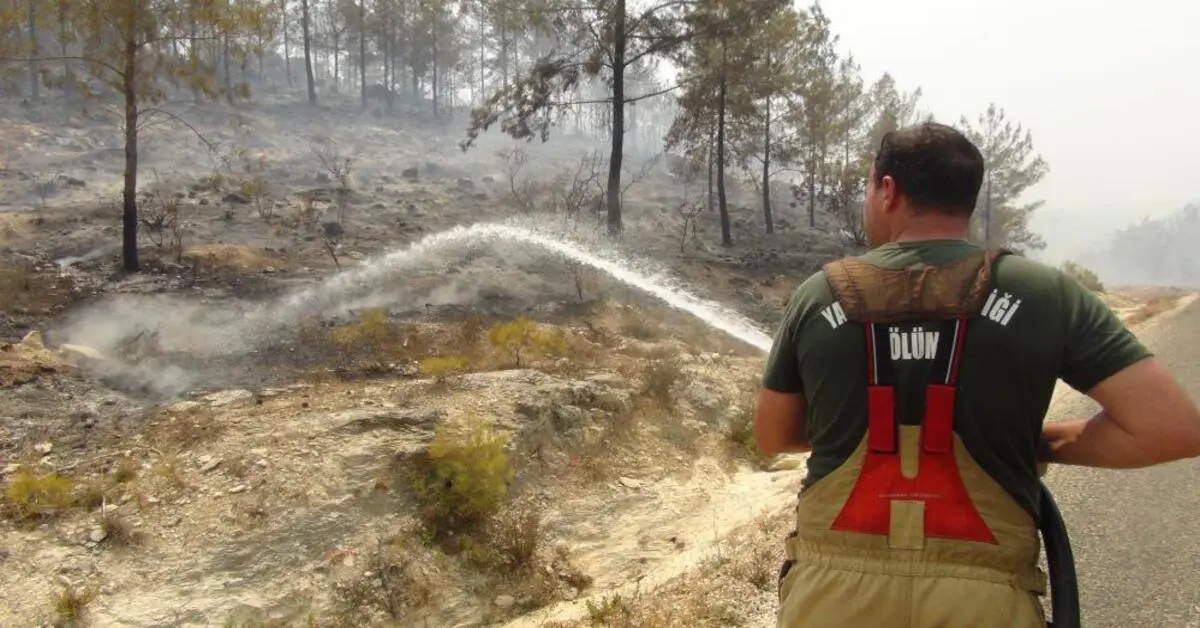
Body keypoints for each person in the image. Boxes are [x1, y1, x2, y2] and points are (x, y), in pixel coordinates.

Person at [754, 121, 1200, 628]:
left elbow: (774, 434)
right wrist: (1036, 443)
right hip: (984, 599)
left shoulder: (818, 295)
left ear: (888, 190)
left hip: (830, 596)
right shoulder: (1045, 293)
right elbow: (1172, 429)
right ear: (967, 198)